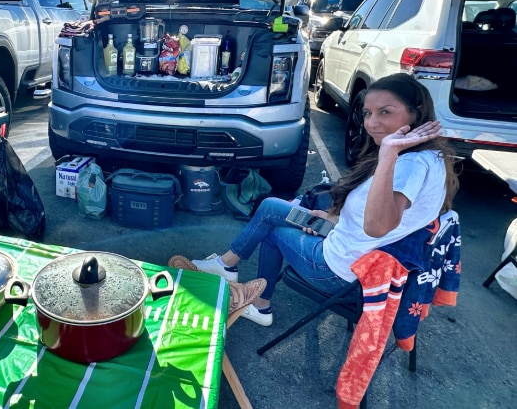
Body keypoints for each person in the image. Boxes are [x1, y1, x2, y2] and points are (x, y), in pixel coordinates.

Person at [169, 73, 459, 326]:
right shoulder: (430, 155)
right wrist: (332, 218)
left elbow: (377, 226)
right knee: (271, 206)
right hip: (355, 248)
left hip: (338, 270)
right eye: (368, 113)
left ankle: (255, 300)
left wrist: (388, 155)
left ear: (416, 112)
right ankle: (228, 267)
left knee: (272, 230)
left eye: (385, 112)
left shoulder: (407, 163)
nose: (372, 123)